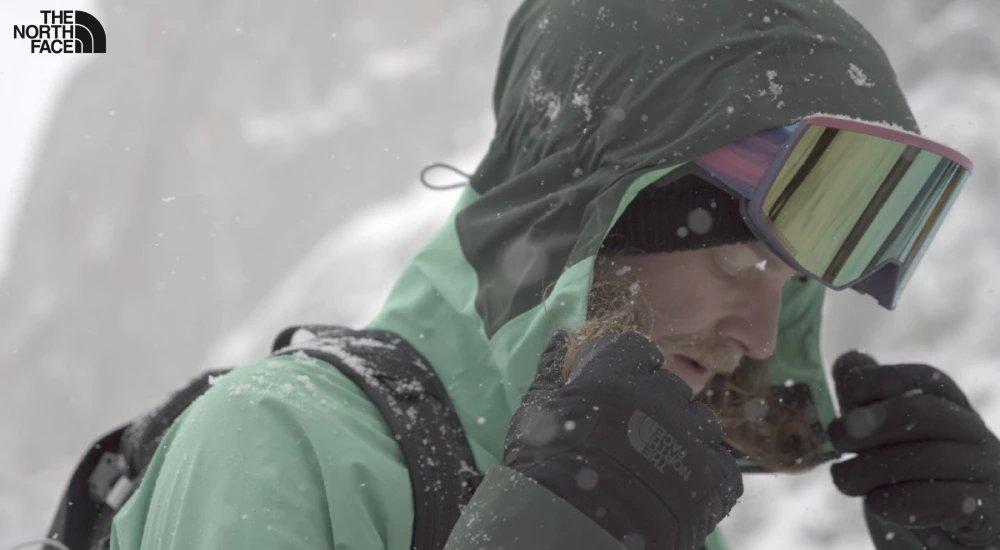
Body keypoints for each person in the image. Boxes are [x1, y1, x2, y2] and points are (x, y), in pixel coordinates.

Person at [109, 0, 998, 549]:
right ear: (589, 222)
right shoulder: (285, 446)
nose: (761, 336)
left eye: (793, 286)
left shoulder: (656, 510)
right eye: (737, 261)